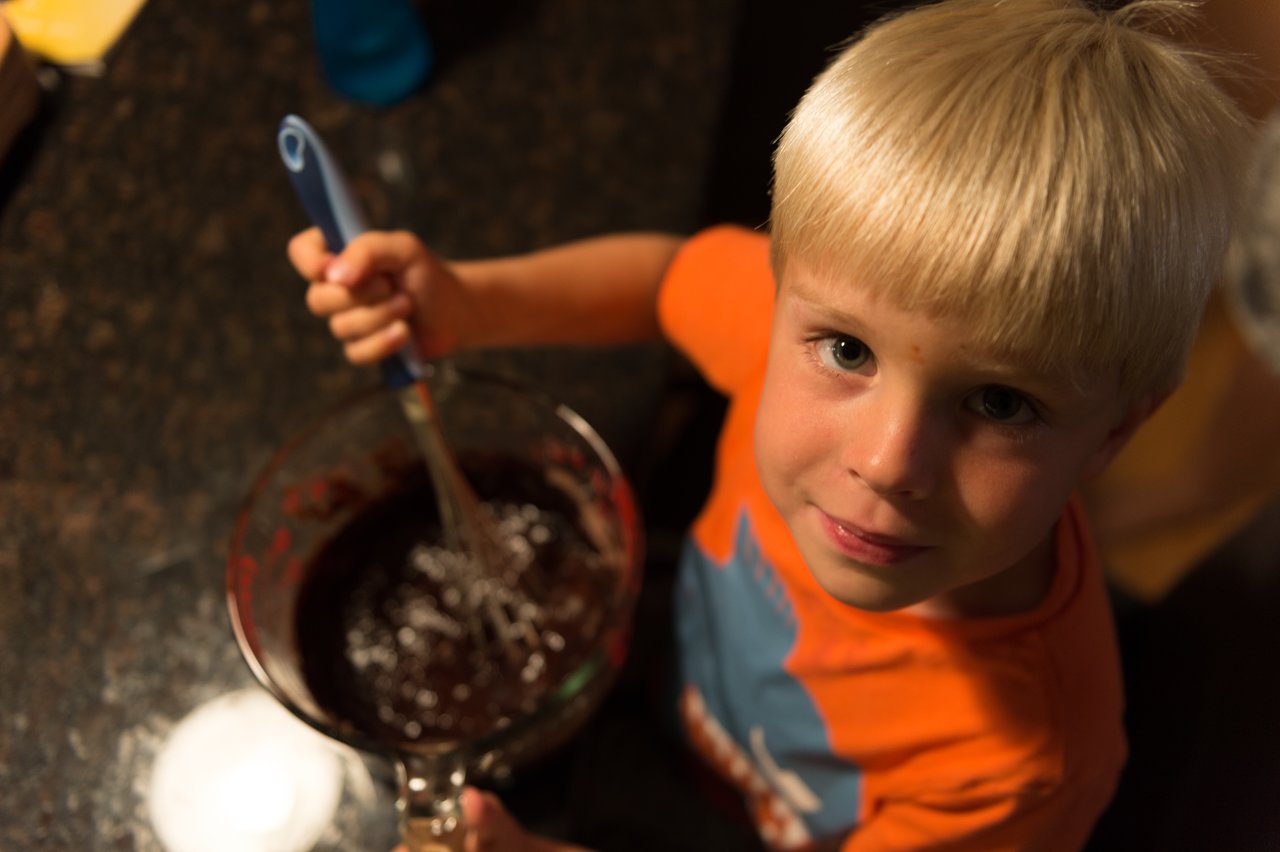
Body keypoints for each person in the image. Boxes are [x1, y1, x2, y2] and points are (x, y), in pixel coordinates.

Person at [288, 1, 1254, 848]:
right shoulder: (792, 333)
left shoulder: (1027, 766)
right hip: (678, 686)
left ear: (1117, 433)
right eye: (845, 353)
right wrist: (469, 304)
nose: (884, 460)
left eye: (1001, 404)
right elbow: (672, 280)